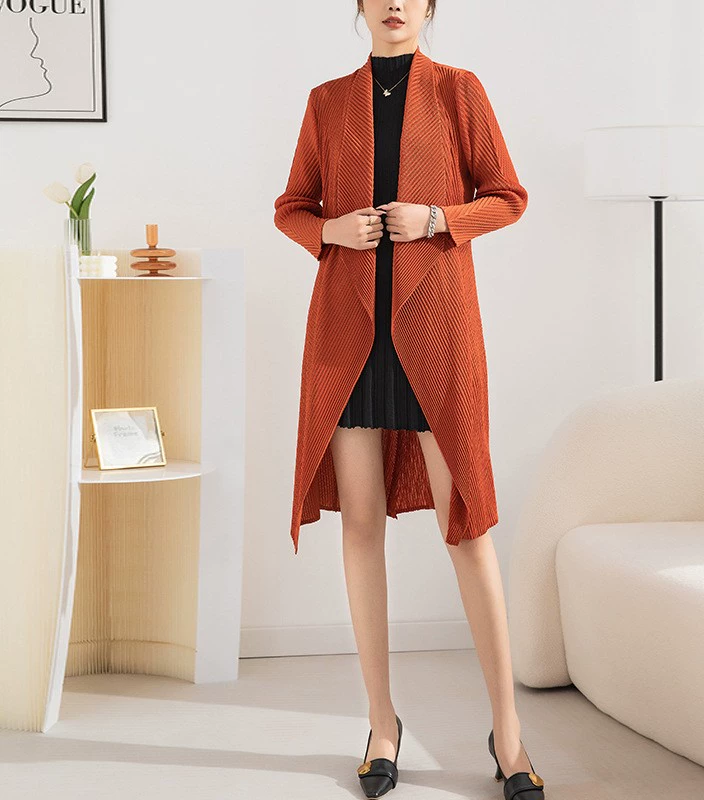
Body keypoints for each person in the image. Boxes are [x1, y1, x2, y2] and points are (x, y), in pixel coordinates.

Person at [274, 2, 543, 797]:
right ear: (359, 6)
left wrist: (438, 219)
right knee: (360, 524)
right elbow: (293, 207)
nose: (395, 3)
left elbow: (508, 195)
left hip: (436, 331)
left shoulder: (459, 91)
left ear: (429, 7)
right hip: (349, 334)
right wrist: (331, 232)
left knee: (468, 530)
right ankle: (382, 723)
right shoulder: (328, 102)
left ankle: (509, 734)